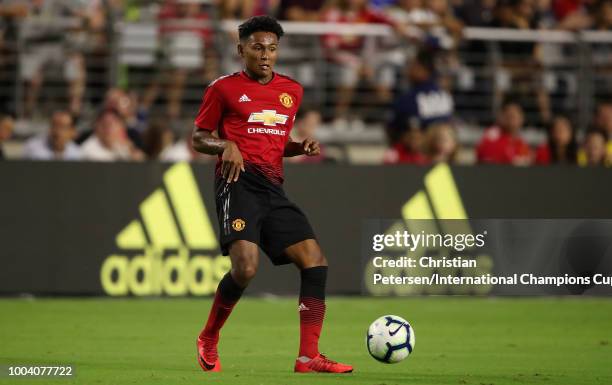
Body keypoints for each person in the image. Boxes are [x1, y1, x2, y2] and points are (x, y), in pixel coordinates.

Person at [191, 16, 353, 374]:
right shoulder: (222, 89)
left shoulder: (291, 91)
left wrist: (300, 147)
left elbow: (274, 144)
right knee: (246, 268)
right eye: (257, 47)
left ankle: (308, 357)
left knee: (315, 260)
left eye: (272, 48)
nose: (266, 54)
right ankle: (209, 337)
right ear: (241, 50)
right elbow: (199, 137)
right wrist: (225, 145)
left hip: (272, 186)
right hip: (238, 182)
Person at [476, 99, 533, 165]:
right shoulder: (492, 135)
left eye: (514, 116)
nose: (511, 120)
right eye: (508, 116)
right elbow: (486, 158)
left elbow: (526, 161)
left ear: (521, 118)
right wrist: (511, 161)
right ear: (501, 116)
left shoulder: (522, 143)